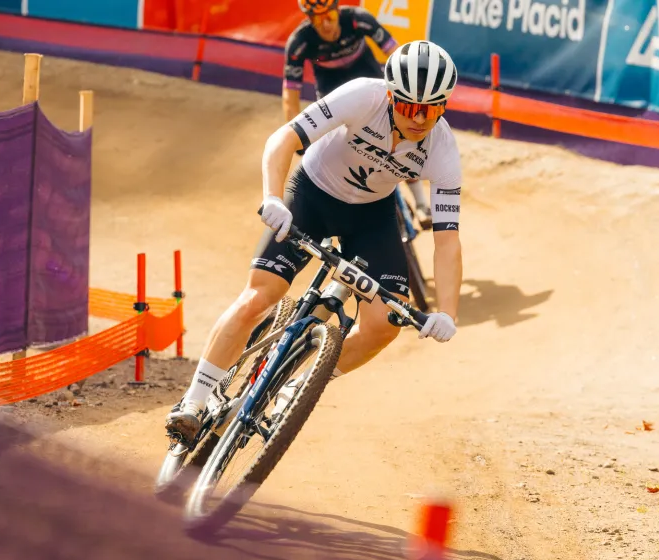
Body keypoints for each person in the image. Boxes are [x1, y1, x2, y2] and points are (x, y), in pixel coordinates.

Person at [166, 40, 463, 440]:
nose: (420, 119)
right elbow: (284, 138)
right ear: (391, 95)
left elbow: (447, 240)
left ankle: (297, 385)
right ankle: (194, 400)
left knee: (384, 326)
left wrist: (448, 312)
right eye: (410, 107)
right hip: (313, 193)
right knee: (260, 295)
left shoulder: (442, 148)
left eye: (432, 109)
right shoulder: (363, 96)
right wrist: (273, 197)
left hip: (371, 216)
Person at [282, 0, 433, 228]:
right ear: (308, 19)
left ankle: (421, 203)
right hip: (335, 100)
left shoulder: (358, 19)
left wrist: (411, 94)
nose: (325, 25)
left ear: (337, 10)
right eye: (317, 19)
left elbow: (399, 56)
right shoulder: (299, 42)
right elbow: (290, 98)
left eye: (329, 17)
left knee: (401, 137)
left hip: (373, 88)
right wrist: (300, 143)